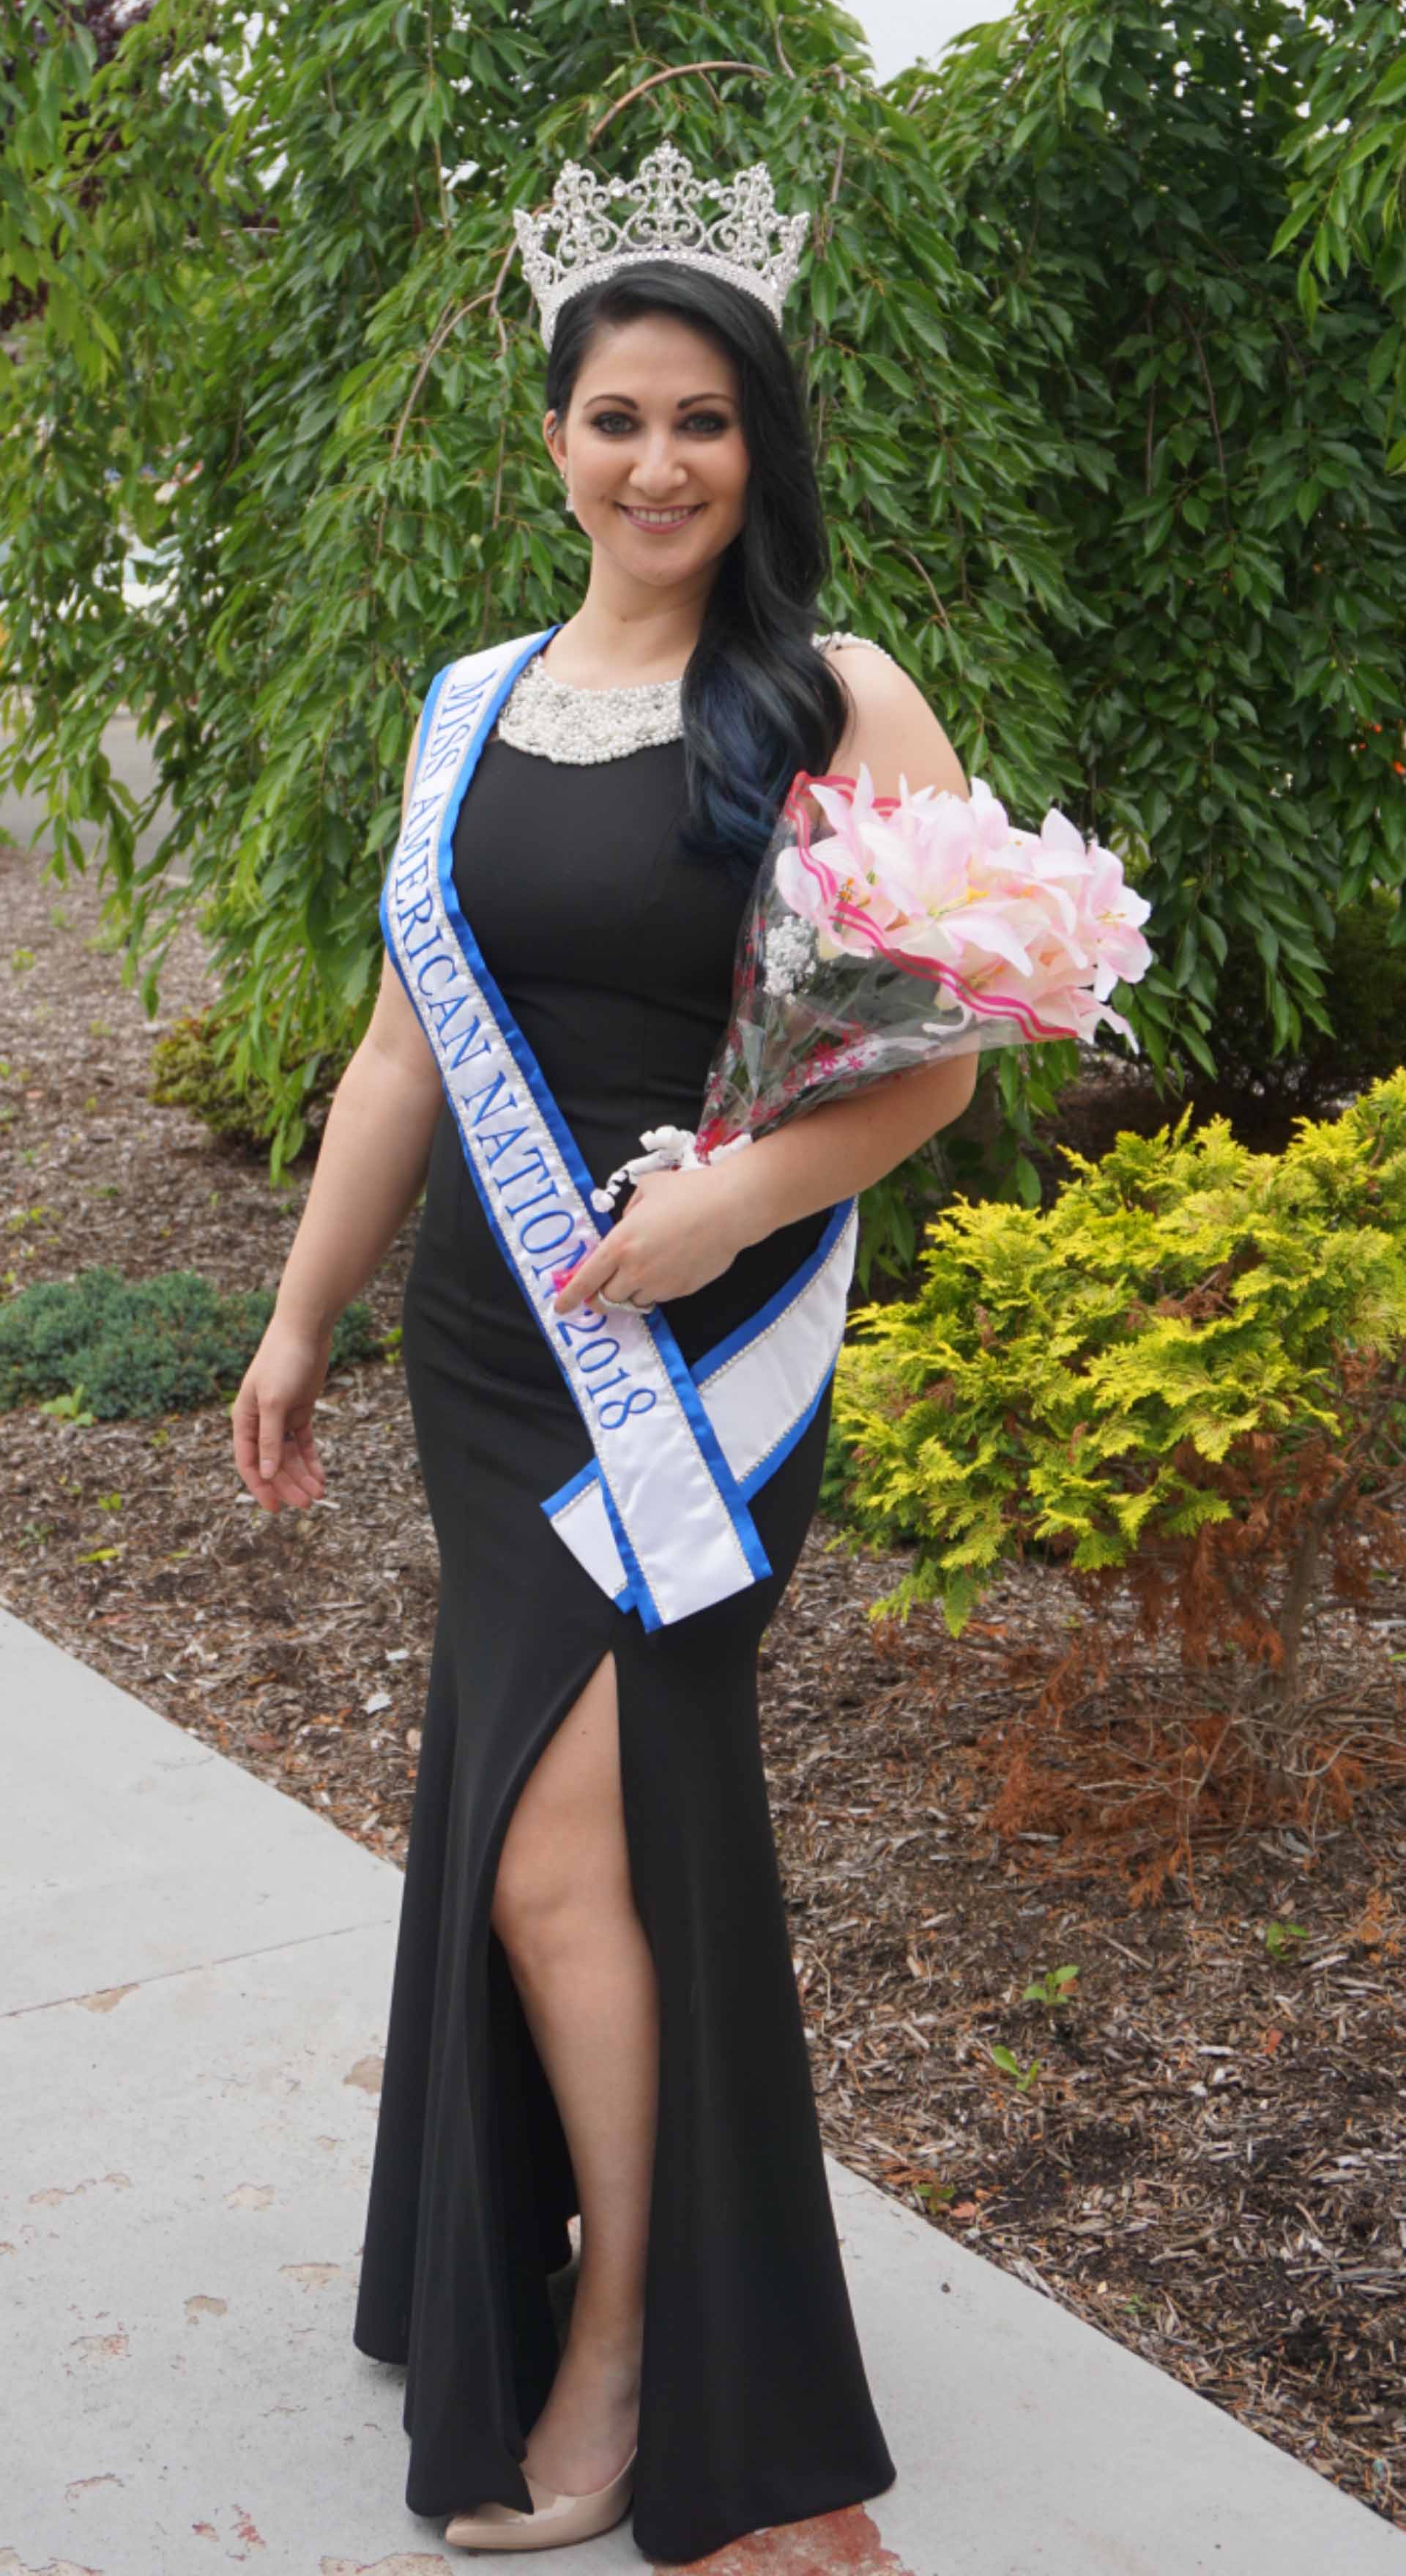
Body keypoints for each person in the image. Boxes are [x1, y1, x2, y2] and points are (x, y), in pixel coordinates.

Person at [231, 141, 978, 2562]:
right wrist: (300, 1311)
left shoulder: (838, 695)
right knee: (563, 1852)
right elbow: (393, 1061)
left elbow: (940, 1059)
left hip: (706, 1361)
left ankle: (642, 2344)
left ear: (767, 442)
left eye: (707, 422)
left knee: (586, 1856)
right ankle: (586, 2288)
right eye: (616, 419)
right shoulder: (470, 703)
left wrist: (730, 1207)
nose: (660, 464)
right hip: (493, 1346)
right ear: (552, 439)